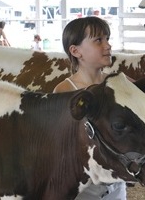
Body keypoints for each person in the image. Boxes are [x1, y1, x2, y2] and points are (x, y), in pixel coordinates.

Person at [53, 16, 127, 200]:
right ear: (76, 51)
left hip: (116, 184)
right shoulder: (64, 90)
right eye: (98, 40)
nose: (108, 45)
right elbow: (59, 143)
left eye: (107, 39)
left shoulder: (120, 82)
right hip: (83, 187)